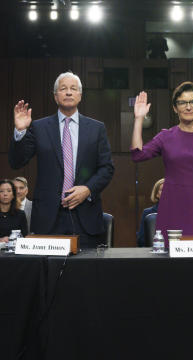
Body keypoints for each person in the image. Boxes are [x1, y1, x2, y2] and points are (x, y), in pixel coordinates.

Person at [10, 72, 115, 249]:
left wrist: (88, 189)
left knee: (85, 273)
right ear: (55, 96)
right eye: (63, 89)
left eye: (73, 89)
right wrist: (20, 131)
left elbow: (107, 168)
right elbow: (17, 162)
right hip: (48, 218)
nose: (68, 92)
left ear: (80, 95)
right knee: (47, 273)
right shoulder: (39, 127)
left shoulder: (96, 128)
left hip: (85, 215)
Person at [131, 84, 193, 241]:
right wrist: (138, 119)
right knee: (172, 260)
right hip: (173, 207)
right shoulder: (166, 137)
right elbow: (138, 155)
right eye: (182, 102)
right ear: (175, 108)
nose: (188, 107)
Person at [136, 178, 164, 247]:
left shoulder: (179, 212)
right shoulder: (148, 213)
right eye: (162, 190)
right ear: (157, 194)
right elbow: (141, 240)